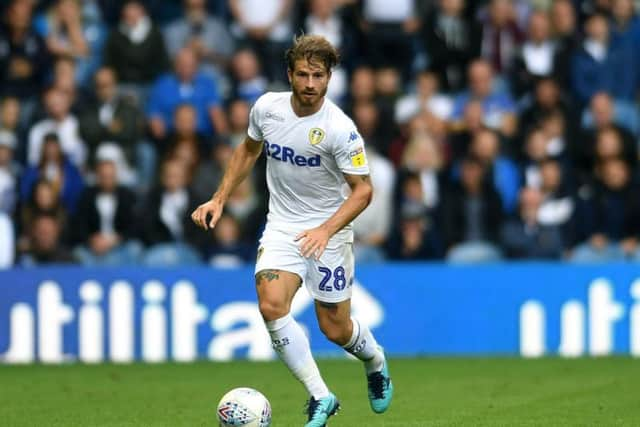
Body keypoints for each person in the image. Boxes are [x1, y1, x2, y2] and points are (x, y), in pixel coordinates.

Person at [191, 35, 393, 426]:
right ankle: (321, 395)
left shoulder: (340, 129)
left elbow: (364, 190)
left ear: (330, 78)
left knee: (335, 329)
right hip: (282, 225)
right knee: (270, 304)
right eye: (303, 74)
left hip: (329, 232)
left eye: (318, 75)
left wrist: (326, 229)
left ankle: (375, 359)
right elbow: (249, 149)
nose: (311, 84)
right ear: (290, 75)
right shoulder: (267, 108)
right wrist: (219, 198)